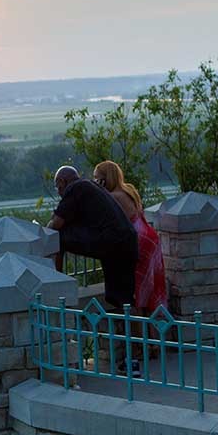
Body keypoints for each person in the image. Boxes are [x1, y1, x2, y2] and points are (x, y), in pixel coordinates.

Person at [46, 165, 139, 375]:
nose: (58, 191)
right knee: (125, 301)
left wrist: (42, 232)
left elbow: (55, 225)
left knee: (58, 239)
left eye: (57, 186)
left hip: (112, 244)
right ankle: (133, 359)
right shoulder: (89, 188)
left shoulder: (75, 189)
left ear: (62, 182)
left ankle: (57, 283)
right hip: (125, 243)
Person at [92, 160, 167, 315]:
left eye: (97, 178)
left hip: (137, 242)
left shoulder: (113, 196)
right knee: (151, 290)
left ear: (106, 178)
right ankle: (154, 334)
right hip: (149, 239)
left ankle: (141, 336)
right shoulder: (128, 190)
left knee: (137, 292)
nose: (95, 183)